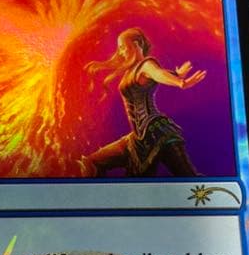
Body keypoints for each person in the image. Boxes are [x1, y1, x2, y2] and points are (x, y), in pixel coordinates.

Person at [82, 27, 206, 177]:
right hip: (138, 138)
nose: (121, 52)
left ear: (136, 44)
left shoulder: (146, 65)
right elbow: (157, 74)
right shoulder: (132, 70)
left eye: (123, 47)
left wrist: (179, 82)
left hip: (157, 132)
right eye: (119, 48)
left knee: (188, 176)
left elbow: (157, 73)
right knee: (92, 162)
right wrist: (175, 74)